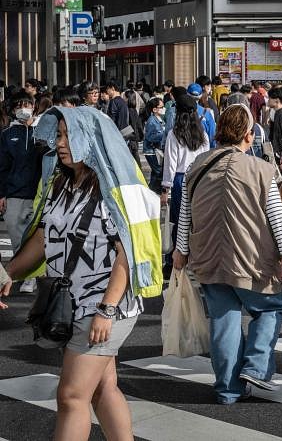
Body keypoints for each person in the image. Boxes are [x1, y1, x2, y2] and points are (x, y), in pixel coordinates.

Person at [1, 105, 162, 440]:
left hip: (103, 305)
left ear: (90, 139)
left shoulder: (115, 190)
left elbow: (126, 255)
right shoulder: (62, 183)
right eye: (58, 135)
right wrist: (7, 274)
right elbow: (45, 238)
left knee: (71, 396)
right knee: (104, 389)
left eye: (66, 135)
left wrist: (106, 309)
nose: (59, 143)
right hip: (72, 301)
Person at [172, 104, 282, 404]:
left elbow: (185, 214)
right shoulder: (261, 169)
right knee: (270, 307)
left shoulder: (197, 166)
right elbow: (276, 216)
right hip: (251, 258)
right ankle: (255, 366)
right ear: (248, 135)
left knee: (224, 320)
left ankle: (227, 389)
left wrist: (181, 250)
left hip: (207, 257)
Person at [0, 93, 43, 293]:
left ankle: (32, 276)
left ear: (34, 106)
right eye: (19, 106)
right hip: (14, 194)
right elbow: (2, 166)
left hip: (38, 194)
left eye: (26, 104)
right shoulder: (7, 134)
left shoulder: (42, 132)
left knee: (35, 236)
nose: (23, 109)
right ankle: (25, 273)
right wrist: (2, 194)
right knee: (17, 238)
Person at [161, 93, 210, 250]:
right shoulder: (203, 134)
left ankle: (176, 258)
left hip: (180, 179)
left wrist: (165, 189)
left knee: (178, 220)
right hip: (199, 178)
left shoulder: (174, 135)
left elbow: (170, 164)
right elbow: (205, 159)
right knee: (197, 219)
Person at [142, 97, 166, 193]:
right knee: (159, 172)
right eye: (161, 107)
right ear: (154, 109)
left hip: (155, 150)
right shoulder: (152, 121)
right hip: (151, 151)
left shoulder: (159, 119)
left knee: (155, 173)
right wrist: (163, 134)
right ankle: (154, 191)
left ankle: (151, 191)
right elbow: (150, 137)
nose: (164, 108)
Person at [188, 83, 217, 148]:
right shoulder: (206, 113)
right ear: (201, 95)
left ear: (187, 94)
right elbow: (212, 136)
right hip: (203, 151)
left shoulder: (180, 111)